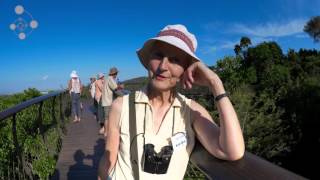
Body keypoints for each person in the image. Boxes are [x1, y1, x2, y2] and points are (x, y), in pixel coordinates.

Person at [99, 24, 245, 179]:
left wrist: (215, 84)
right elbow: (108, 160)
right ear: (149, 60)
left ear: (186, 69)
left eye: (175, 60)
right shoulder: (121, 106)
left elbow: (232, 151)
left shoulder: (192, 111)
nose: (163, 66)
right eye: (158, 55)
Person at [101, 67, 119, 135]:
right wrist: (121, 87)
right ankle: (106, 132)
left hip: (104, 100)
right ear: (114, 73)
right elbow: (115, 88)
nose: (116, 75)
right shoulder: (111, 79)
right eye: (116, 73)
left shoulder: (106, 78)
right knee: (108, 118)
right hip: (108, 101)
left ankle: (105, 131)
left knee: (106, 118)